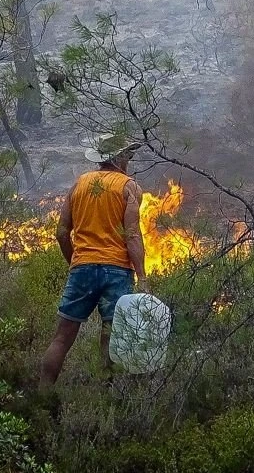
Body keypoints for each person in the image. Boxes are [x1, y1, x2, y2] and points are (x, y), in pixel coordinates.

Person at [39, 134, 148, 387]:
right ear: (119, 157)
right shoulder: (129, 187)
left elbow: (61, 232)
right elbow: (132, 235)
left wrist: (75, 262)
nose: (129, 160)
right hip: (117, 272)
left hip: (82, 268)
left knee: (61, 339)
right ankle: (104, 397)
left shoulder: (79, 185)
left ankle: (41, 398)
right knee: (110, 337)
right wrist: (142, 277)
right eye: (128, 155)